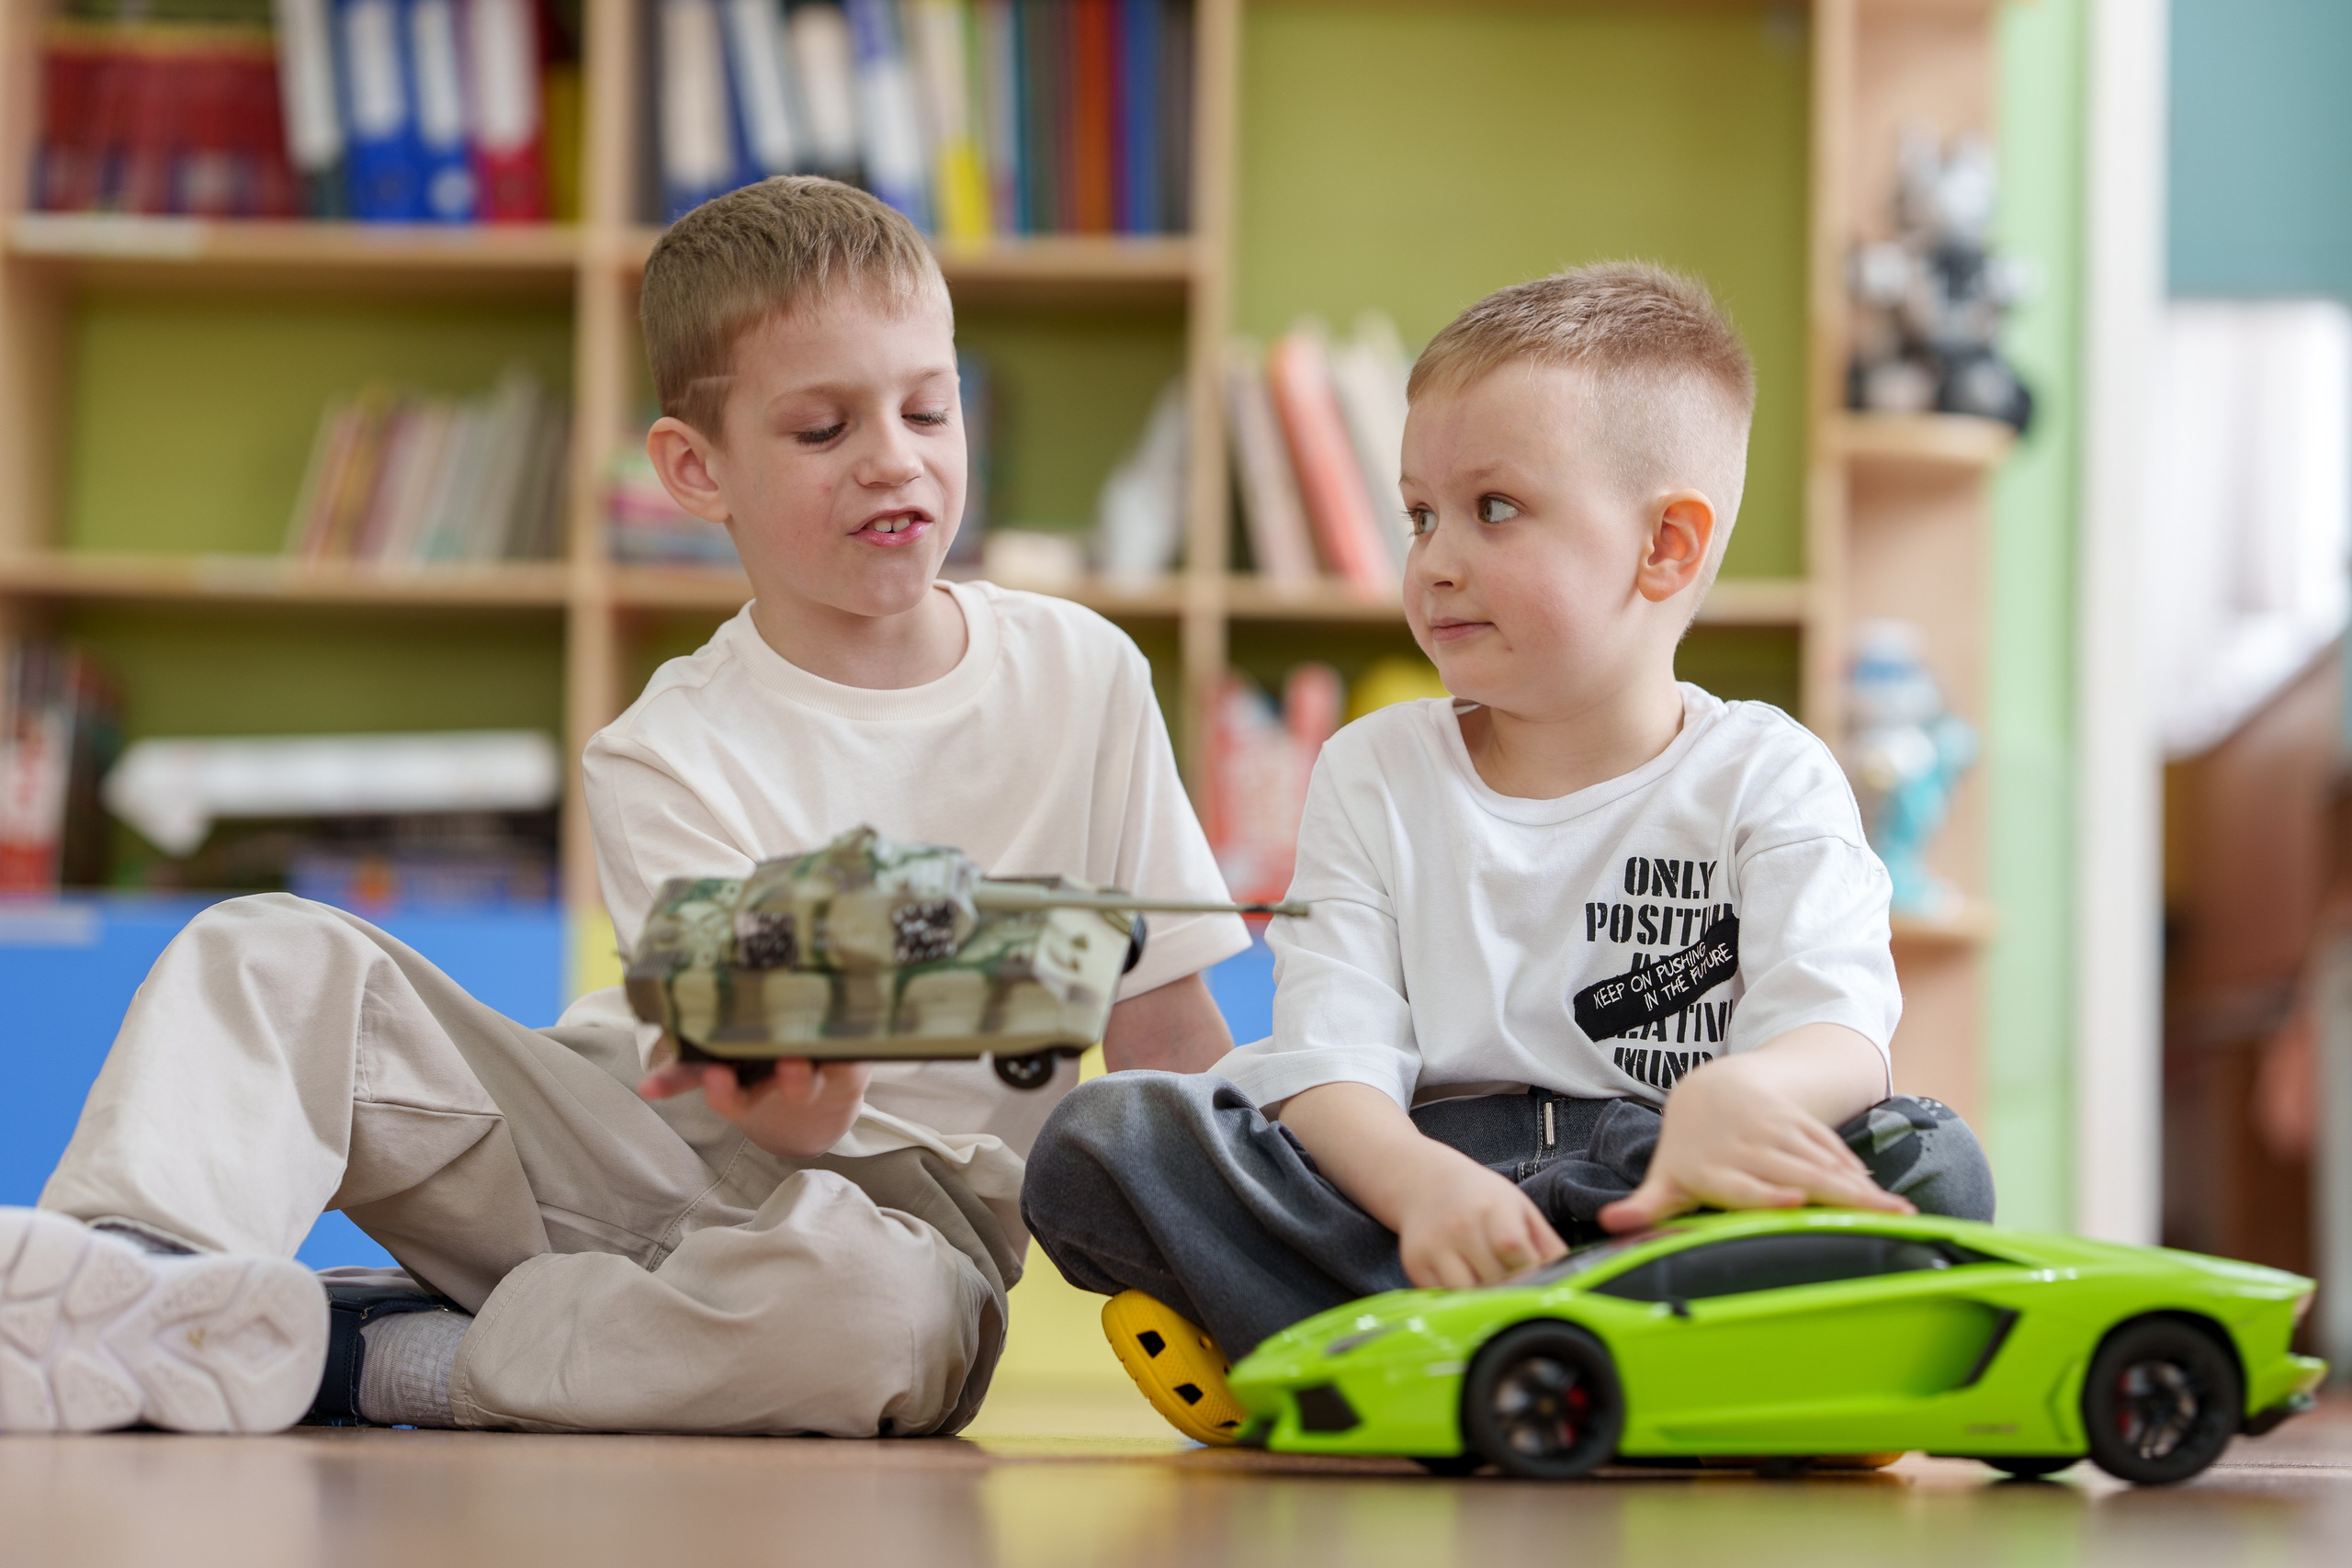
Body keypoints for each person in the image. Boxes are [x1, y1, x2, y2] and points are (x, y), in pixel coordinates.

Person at [0, 177, 1245, 1439]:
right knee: (264, 950)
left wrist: (1258, 1280)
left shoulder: (1087, 674)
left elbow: (1169, 1035)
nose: (895, 455)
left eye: (929, 406)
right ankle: (134, 1279)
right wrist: (797, 1081)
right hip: (621, 1152)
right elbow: (756, 1097)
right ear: (696, 468)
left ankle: (380, 1353)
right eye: (822, 428)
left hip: (901, 1232)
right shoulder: (663, 747)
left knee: (860, 1312)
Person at [1019, 263, 1996, 1445]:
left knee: (1931, 1164)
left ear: (1665, 548)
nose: (1431, 559)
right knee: (1101, 1137)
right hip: (1415, 1192)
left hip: (1672, 1193)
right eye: (1419, 514)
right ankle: (1705, 1377)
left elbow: (1842, 1032)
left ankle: (1387, 1364)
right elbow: (1331, 1060)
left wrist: (1745, 1093)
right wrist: (1420, 1186)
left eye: (1492, 510)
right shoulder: (1373, 769)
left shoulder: (1768, 772)